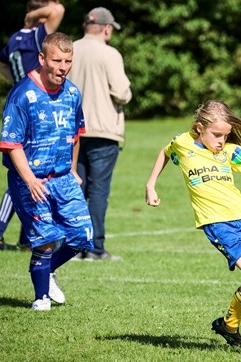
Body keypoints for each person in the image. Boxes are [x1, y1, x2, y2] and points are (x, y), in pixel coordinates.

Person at [145, 100, 241, 350]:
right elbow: (165, 152)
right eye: (216, 134)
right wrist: (151, 184)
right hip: (217, 223)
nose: (221, 140)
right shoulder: (183, 143)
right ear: (199, 128)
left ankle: (229, 325)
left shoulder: (229, 152)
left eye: (225, 135)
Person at [0, 32, 94, 310]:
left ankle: (48, 270)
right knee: (45, 239)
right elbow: (11, 143)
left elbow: (76, 134)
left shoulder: (73, 92)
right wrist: (29, 180)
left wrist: (74, 169)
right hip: (32, 180)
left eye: (68, 61)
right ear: (42, 58)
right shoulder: (22, 94)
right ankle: (41, 298)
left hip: (63, 178)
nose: (63, 67)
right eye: (57, 60)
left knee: (83, 234)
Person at [0, 0, 65, 252]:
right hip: (34, 107)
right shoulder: (38, 33)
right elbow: (58, 11)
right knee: (26, 175)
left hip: (21, 98)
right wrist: (34, 16)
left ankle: (25, 239)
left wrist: (17, 82)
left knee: (33, 171)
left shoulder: (15, 37)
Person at [67, 7, 132, 261]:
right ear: (106, 28)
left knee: (75, 190)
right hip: (103, 131)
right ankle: (94, 248)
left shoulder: (69, 49)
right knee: (98, 191)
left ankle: (73, 247)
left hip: (73, 132)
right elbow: (122, 93)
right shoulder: (110, 53)